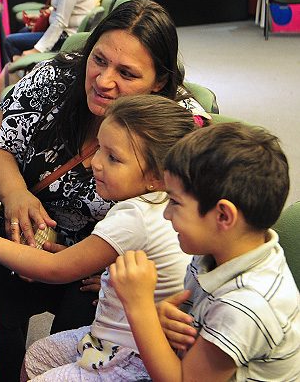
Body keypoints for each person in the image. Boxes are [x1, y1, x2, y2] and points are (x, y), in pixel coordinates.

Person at [0, 0, 202, 381]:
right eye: (98, 60)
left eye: (127, 73)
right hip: (32, 240)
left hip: (105, 278)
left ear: (159, 82)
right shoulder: (54, 79)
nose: (104, 80)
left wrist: (119, 269)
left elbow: (204, 228)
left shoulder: (179, 128)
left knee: (80, 344)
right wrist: (15, 194)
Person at [0, 95, 198, 380]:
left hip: (131, 354)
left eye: (113, 158)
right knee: (36, 357)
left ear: (157, 178)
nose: (95, 163)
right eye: (99, 148)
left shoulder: (135, 216)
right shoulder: (162, 202)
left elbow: (56, 268)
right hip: (118, 332)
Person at [111, 122, 299, 381]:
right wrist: (161, 318)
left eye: (175, 202)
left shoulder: (246, 306)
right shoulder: (224, 250)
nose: (166, 214)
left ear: (223, 215)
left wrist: (139, 306)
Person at [4, 0, 96, 61]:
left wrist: (37, 49)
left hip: (65, 38)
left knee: (9, 41)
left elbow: (61, 21)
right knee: (24, 31)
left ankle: (23, 70)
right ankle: (22, 69)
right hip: (64, 33)